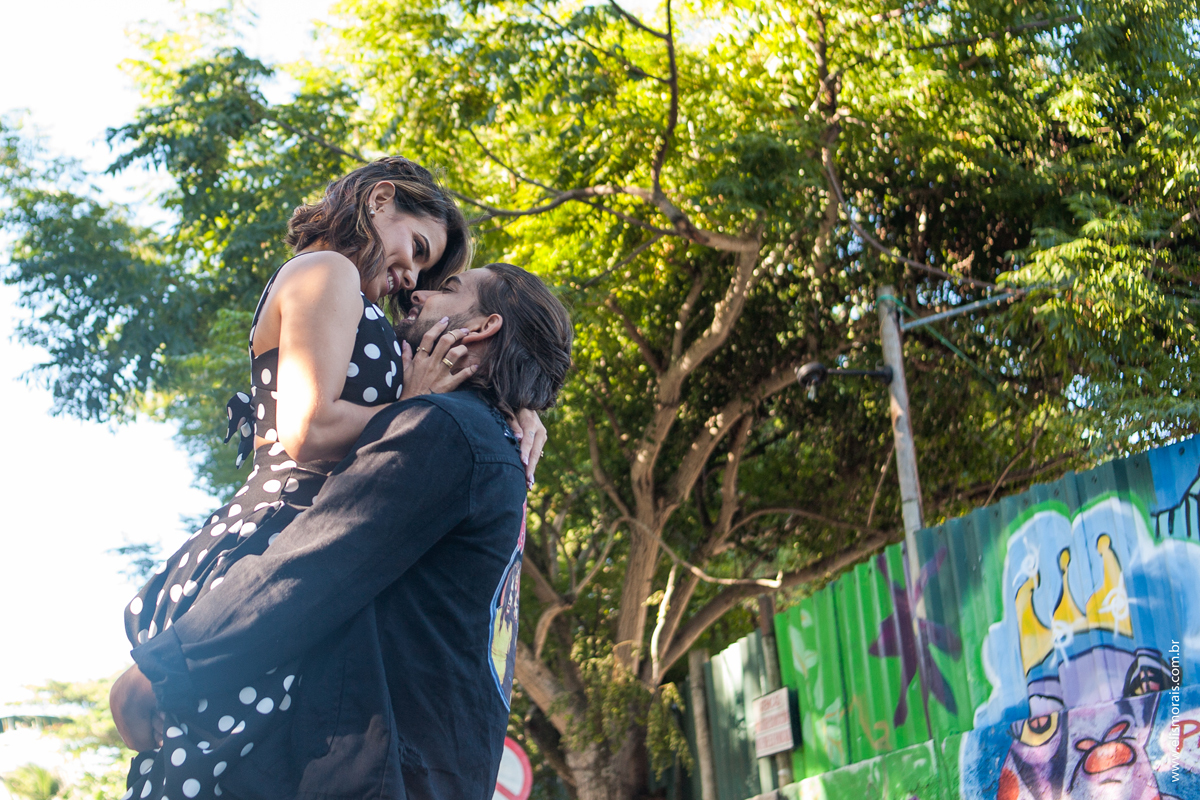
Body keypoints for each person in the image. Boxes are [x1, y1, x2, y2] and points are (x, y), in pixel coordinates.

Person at [115, 158, 547, 800]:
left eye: (428, 271)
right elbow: (309, 428)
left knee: (232, 768)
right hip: (271, 541)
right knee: (202, 766)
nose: (412, 277)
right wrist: (415, 409)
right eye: (417, 247)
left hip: (300, 554)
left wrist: (517, 401)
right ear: (379, 200)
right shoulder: (328, 270)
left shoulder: (365, 312)